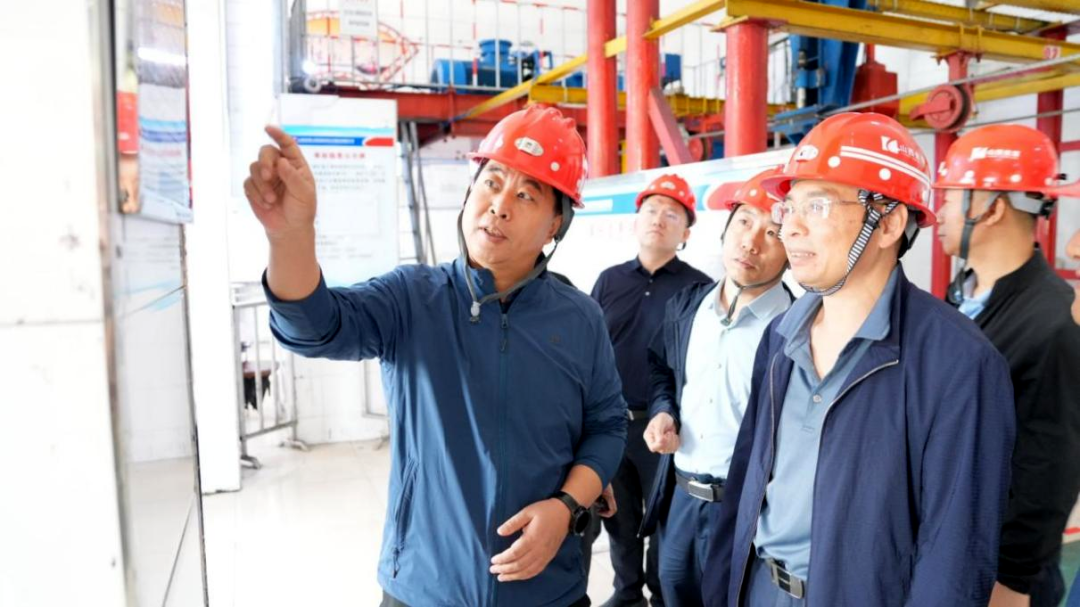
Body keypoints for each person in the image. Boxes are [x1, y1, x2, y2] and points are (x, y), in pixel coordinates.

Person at [243, 105, 627, 607]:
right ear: (469, 195)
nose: (500, 206)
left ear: (556, 224)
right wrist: (290, 236)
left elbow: (607, 425)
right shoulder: (411, 298)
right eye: (492, 183)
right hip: (424, 587)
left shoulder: (580, 318)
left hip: (547, 589)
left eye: (526, 195)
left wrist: (566, 506)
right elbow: (316, 326)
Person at [701, 112, 1016, 606]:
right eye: (790, 206)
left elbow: (954, 554)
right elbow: (747, 479)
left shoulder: (959, 364)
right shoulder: (781, 336)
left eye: (818, 205)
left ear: (888, 223)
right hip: (759, 588)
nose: (791, 227)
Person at [935, 125, 1080, 607]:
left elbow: (1049, 468)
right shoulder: (963, 296)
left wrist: (1012, 582)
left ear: (992, 208)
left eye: (951, 198)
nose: (939, 212)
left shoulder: (1054, 321)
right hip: (950, 547)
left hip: (999, 575)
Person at [640, 167, 791, 607]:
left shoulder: (796, 331)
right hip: (680, 499)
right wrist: (664, 410)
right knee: (670, 592)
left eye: (772, 232)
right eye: (743, 222)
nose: (751, 242)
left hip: (747, 511)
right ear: (725, 230)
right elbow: (662, 369)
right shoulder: (687, 306)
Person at [589, 173, 712, 607]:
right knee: (618, 517)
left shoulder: (700, 288)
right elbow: (590, 351)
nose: (659, 219)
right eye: (651, 210)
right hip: (610, 425)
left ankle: (662, 597)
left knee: (664, 521)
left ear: (686, 233)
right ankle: (626, 594)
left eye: (672, 214)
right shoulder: (608, 280)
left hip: (667, 429)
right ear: (636, 221)